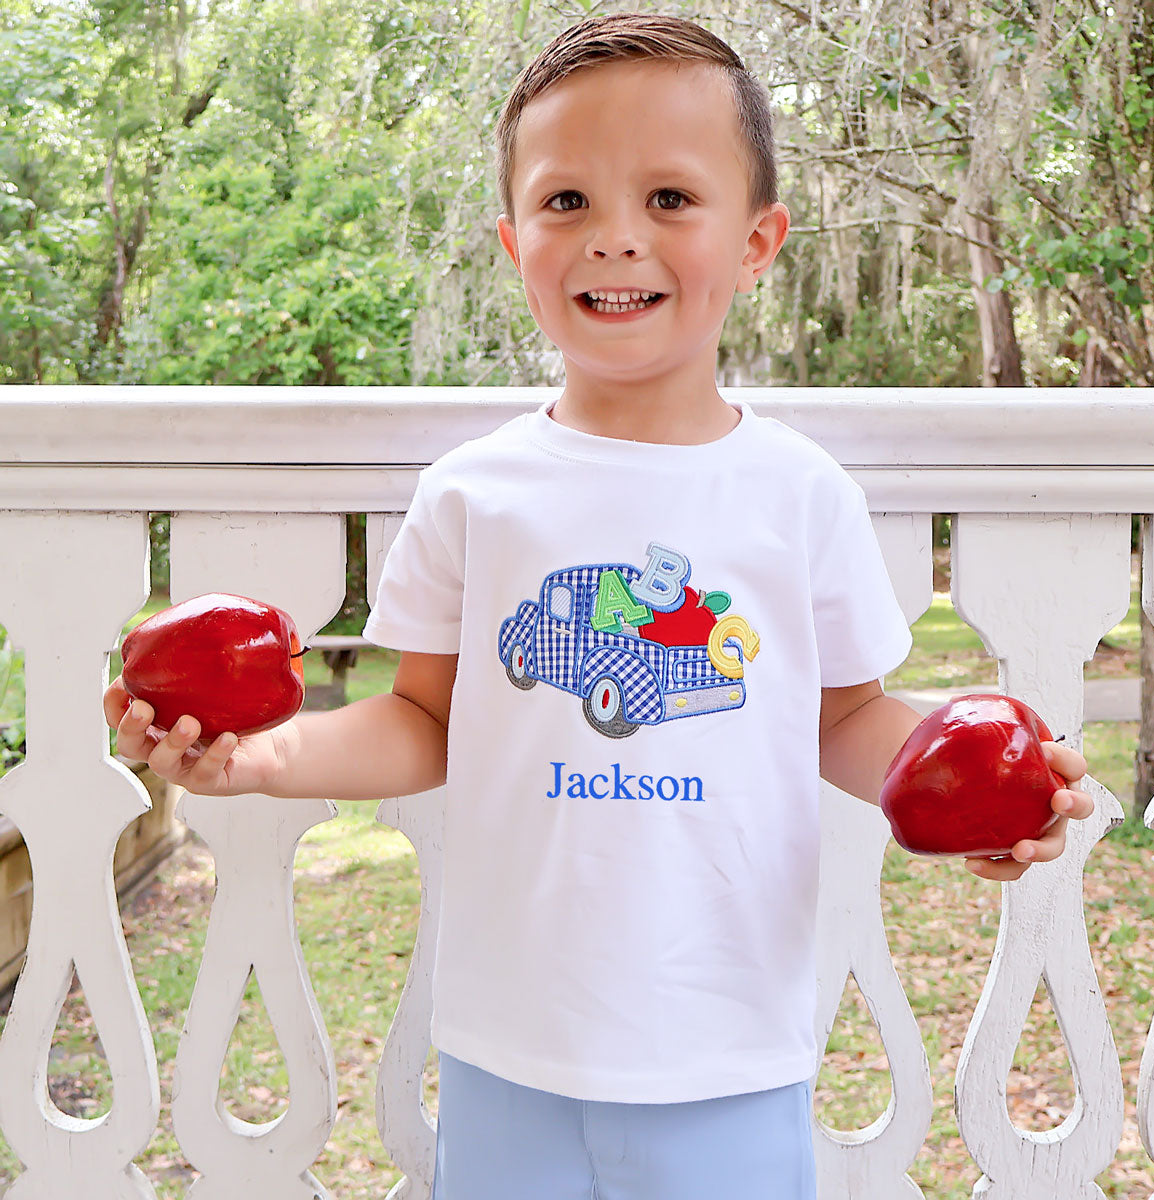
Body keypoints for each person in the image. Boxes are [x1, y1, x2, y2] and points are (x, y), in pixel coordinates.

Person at [105, 13, 1094, 1199]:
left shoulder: (800, 494)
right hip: (508, 1043)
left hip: (728, 1046)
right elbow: (425, 719)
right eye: (567, 201)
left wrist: (981, 786)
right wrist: (268, 757)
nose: (615, 238)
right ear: (515, 239)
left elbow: (844, 721)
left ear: (759, 240)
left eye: (671, 198)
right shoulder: (475, 493)